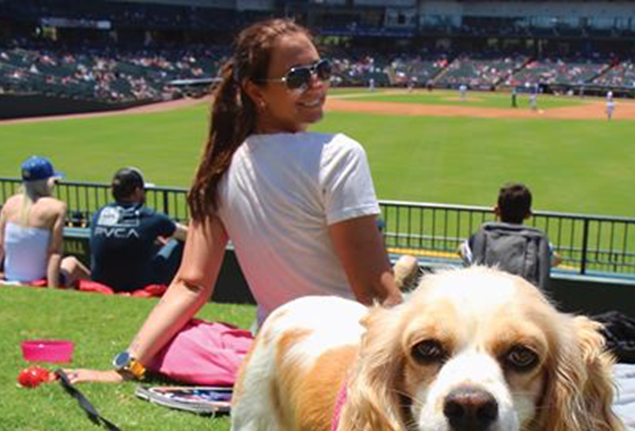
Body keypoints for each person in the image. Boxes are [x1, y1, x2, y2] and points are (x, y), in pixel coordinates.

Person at [65, 19, 402, 384]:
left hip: (273, 361)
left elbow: (190, 285)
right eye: (298, 77)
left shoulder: (218, 169)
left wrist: (126, 368)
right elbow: (373, 290)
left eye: (322, 69)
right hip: (339, 359)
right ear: (256, 91)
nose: (317, 83)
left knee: (191, 338)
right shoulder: (339, 154)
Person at [0, 156, 88, 288]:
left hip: (10, 278)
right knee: (72, 262)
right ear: (47, 182)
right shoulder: (57, 207)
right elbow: (54, 253)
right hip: (39, 281)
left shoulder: (10, 203)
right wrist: (52, 290)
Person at [89, 167, 188, 292]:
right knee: (177, 242)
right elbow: (187, 235)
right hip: (140, 283)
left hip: (102, 281)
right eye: (144, 191)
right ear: (137, 191)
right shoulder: (149, 216)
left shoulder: (99, 214)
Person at [460, 182, 559, 290]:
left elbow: (462, 251)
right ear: (528, 214)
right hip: (524, 302)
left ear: (496, 210)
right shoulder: (538, 241)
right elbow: (556, 259)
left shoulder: (481, 235)